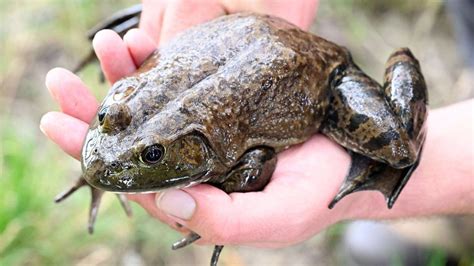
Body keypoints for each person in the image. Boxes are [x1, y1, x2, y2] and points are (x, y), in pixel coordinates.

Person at [40, 0, 473, 249]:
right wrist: (101, 172)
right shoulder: (132, 96)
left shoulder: (221, 147)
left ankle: (426, 173)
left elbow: (259, 159)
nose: (100, 149)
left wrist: (233, 184)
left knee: (397, 148)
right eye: (107, 118)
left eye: (153, 154)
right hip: (246, 34)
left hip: (322, 75)